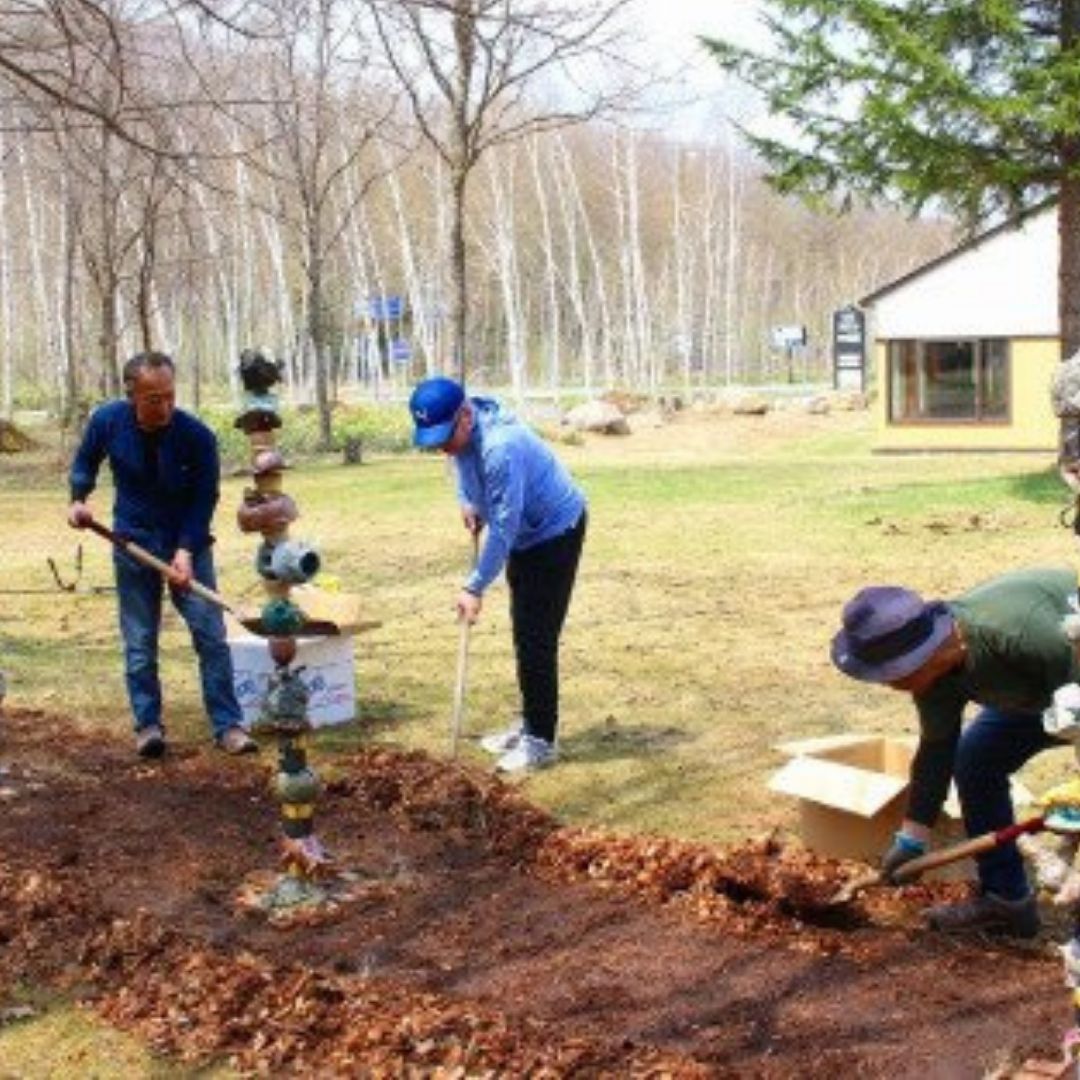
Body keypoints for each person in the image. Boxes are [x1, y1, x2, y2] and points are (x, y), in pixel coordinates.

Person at [831, 566, 1080, 939]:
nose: (888, 685)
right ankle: (1007, 902)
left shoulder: (1024, 635)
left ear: (924, 655)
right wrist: (912, 837)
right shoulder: (934, 675)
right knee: (975, 761)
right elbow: (936, 749)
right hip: (1041, 697)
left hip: (1070, 673)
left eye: (891, 675)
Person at [67, 351, 256, 758]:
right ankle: (148, 725)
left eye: (170, 395)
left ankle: (228, 725)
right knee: (139, 641)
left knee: (212, 636)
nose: (165, 406)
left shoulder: (197, 436)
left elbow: (204, 499)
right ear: (131, 394)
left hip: (187, 543)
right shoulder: (108, 421)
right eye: (154, 398)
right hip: (132, 543)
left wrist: (186, 551)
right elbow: (85, 463)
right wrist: (79, 499)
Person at [409, 376, 587, 773]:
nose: (441, 447)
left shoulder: (501, 447)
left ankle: (541, 739)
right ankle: (530, 723)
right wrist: (467, 501)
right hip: (526, 536)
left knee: (536, 637)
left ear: (466, 417)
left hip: (553, 532)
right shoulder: (462, 434)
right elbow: (461, 465)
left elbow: (504, 527)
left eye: (444, 437)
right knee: (523, 631)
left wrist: (474, 586)